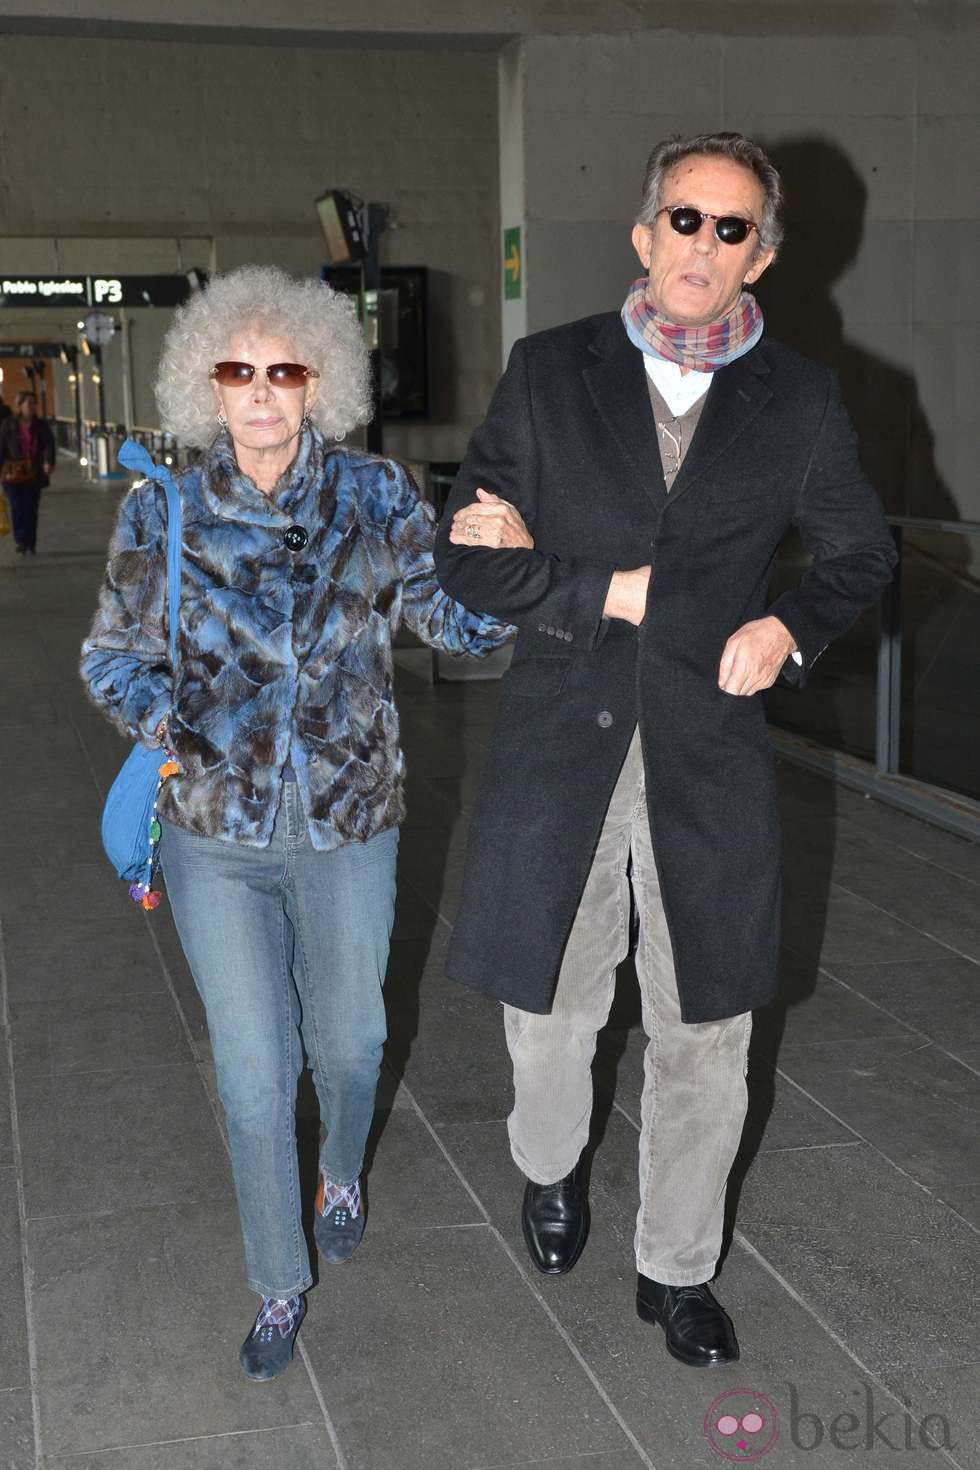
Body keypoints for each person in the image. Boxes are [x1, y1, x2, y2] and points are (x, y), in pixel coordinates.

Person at [434, 132, 897, 1368]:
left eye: (730, 227)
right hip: (558, 746)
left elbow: (860, 553)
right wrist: (606, 590)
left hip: (708, 756)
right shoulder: (548, 372)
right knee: (550, 1011)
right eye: (682, 220)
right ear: (643, 236)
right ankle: (548, 1169)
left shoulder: (794, 400)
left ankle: (676, 1269)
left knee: (708, 1027)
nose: (702, 244)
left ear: (763, 256)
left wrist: (787, 623)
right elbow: (468, 557)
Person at [80, 265, 510, 1381]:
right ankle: (277, 1280)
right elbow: (110, 654)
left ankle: (346, 1168)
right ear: (205, 388)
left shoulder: (374, 494)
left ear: (320, 383)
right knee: (254, 1073)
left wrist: (498, 564)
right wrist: (160, 717)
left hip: (348, 820)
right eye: (239, 371)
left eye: (284, 371)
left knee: (353, 1043)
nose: (261, 392)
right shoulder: (159, 510)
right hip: (213, 831)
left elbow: (447, 622)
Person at [0, 389, 55, 555]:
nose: (32, 406)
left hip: (34, 472)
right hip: (13, 473)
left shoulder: (41, 425)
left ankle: (31, 541)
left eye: (34, 403)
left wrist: (48, 461)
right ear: (20, 405)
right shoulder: (9, 424)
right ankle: (21, 541)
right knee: (17, 507)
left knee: (31, 508)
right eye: (28, 403)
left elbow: (48, 444)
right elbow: (1, 447)